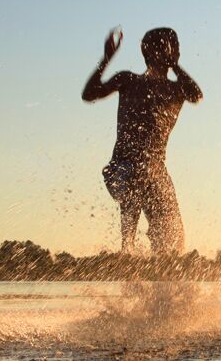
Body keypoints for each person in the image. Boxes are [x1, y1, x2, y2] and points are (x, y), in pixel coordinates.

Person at [82, 27, 203, 255]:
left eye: (173, 49)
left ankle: (161, 279)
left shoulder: (177, 90)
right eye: (168, 48)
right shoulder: (128, 80)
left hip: (157, 174)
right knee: (142, 168)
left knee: (173, 241)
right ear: (150, 53)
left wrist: (175, 64)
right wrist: (106, 58)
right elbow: (89, 94)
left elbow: (196, 95)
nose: (171, 53)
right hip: (121, 169)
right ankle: (127, 245)